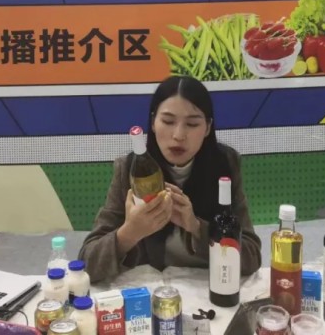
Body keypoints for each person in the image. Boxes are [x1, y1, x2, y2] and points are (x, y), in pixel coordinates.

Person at [78, 75, 262, 283]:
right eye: (167, 121)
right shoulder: (130, 170)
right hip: (152, 292)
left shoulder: (225, 164)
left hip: (209, 290)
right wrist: (129, 232)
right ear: (153, 123)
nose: (178, 135)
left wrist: (197, 227)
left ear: (208, 128)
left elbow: (251, 257)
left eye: (192, 124)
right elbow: (87, 264)